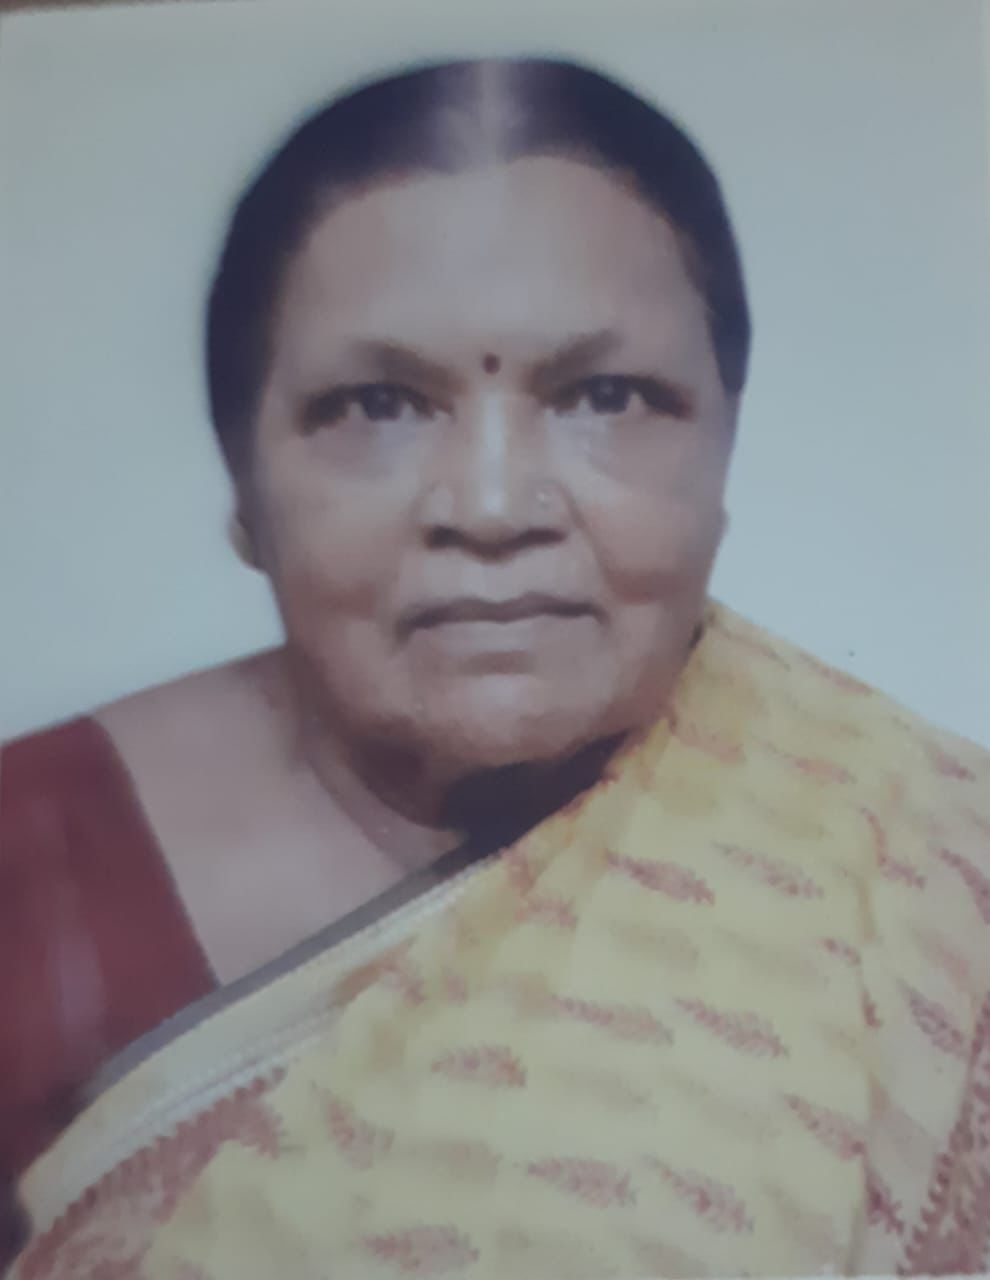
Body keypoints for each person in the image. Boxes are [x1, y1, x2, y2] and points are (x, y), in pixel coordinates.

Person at [2, 56, 988, 1280]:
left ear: (723, 450)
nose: (491, 505)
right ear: (243, 483)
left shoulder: (929, 872)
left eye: (607, 395)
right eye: (375, 404)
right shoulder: (30, 868)